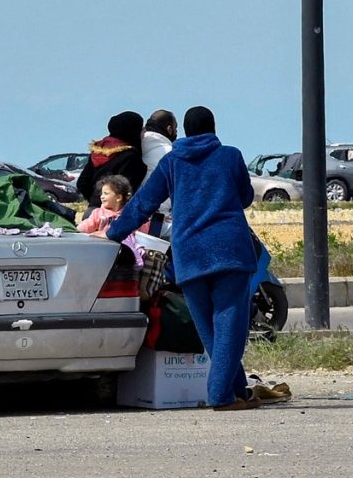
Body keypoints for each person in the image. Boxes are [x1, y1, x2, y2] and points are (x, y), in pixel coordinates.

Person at [104, 106, 259, 411]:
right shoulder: (230, 156)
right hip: (228, 250)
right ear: (213, 127)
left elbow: (144, 203)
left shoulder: (171, 162)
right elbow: (245, 197)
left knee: (210, 331)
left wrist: (114, 232)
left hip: (189, 254)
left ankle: (237, 390)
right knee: (229, 327)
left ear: (185, 131)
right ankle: (221, 396)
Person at [76, 111, 147, 214]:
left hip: (92, 212)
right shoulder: (131, 157)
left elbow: (82, 183)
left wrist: (96, 200)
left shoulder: (97, 152)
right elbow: (126, 189)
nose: (144, 132)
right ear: (133, 132)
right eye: (140, 128)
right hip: (113, 215)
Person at [76, 175, 148, 235]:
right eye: (101, 194)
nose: (102, 196)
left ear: (118, 197)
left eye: (106, 193)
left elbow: (143, 232)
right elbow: (86, 225)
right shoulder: (98, 213)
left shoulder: (131, 214)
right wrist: (76, 231)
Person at [140, 110, 177, 216]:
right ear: (169, 129)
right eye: (176, 129)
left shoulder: (136, 147)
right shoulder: (172, 153)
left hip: (135, 212)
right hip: (162, 216)